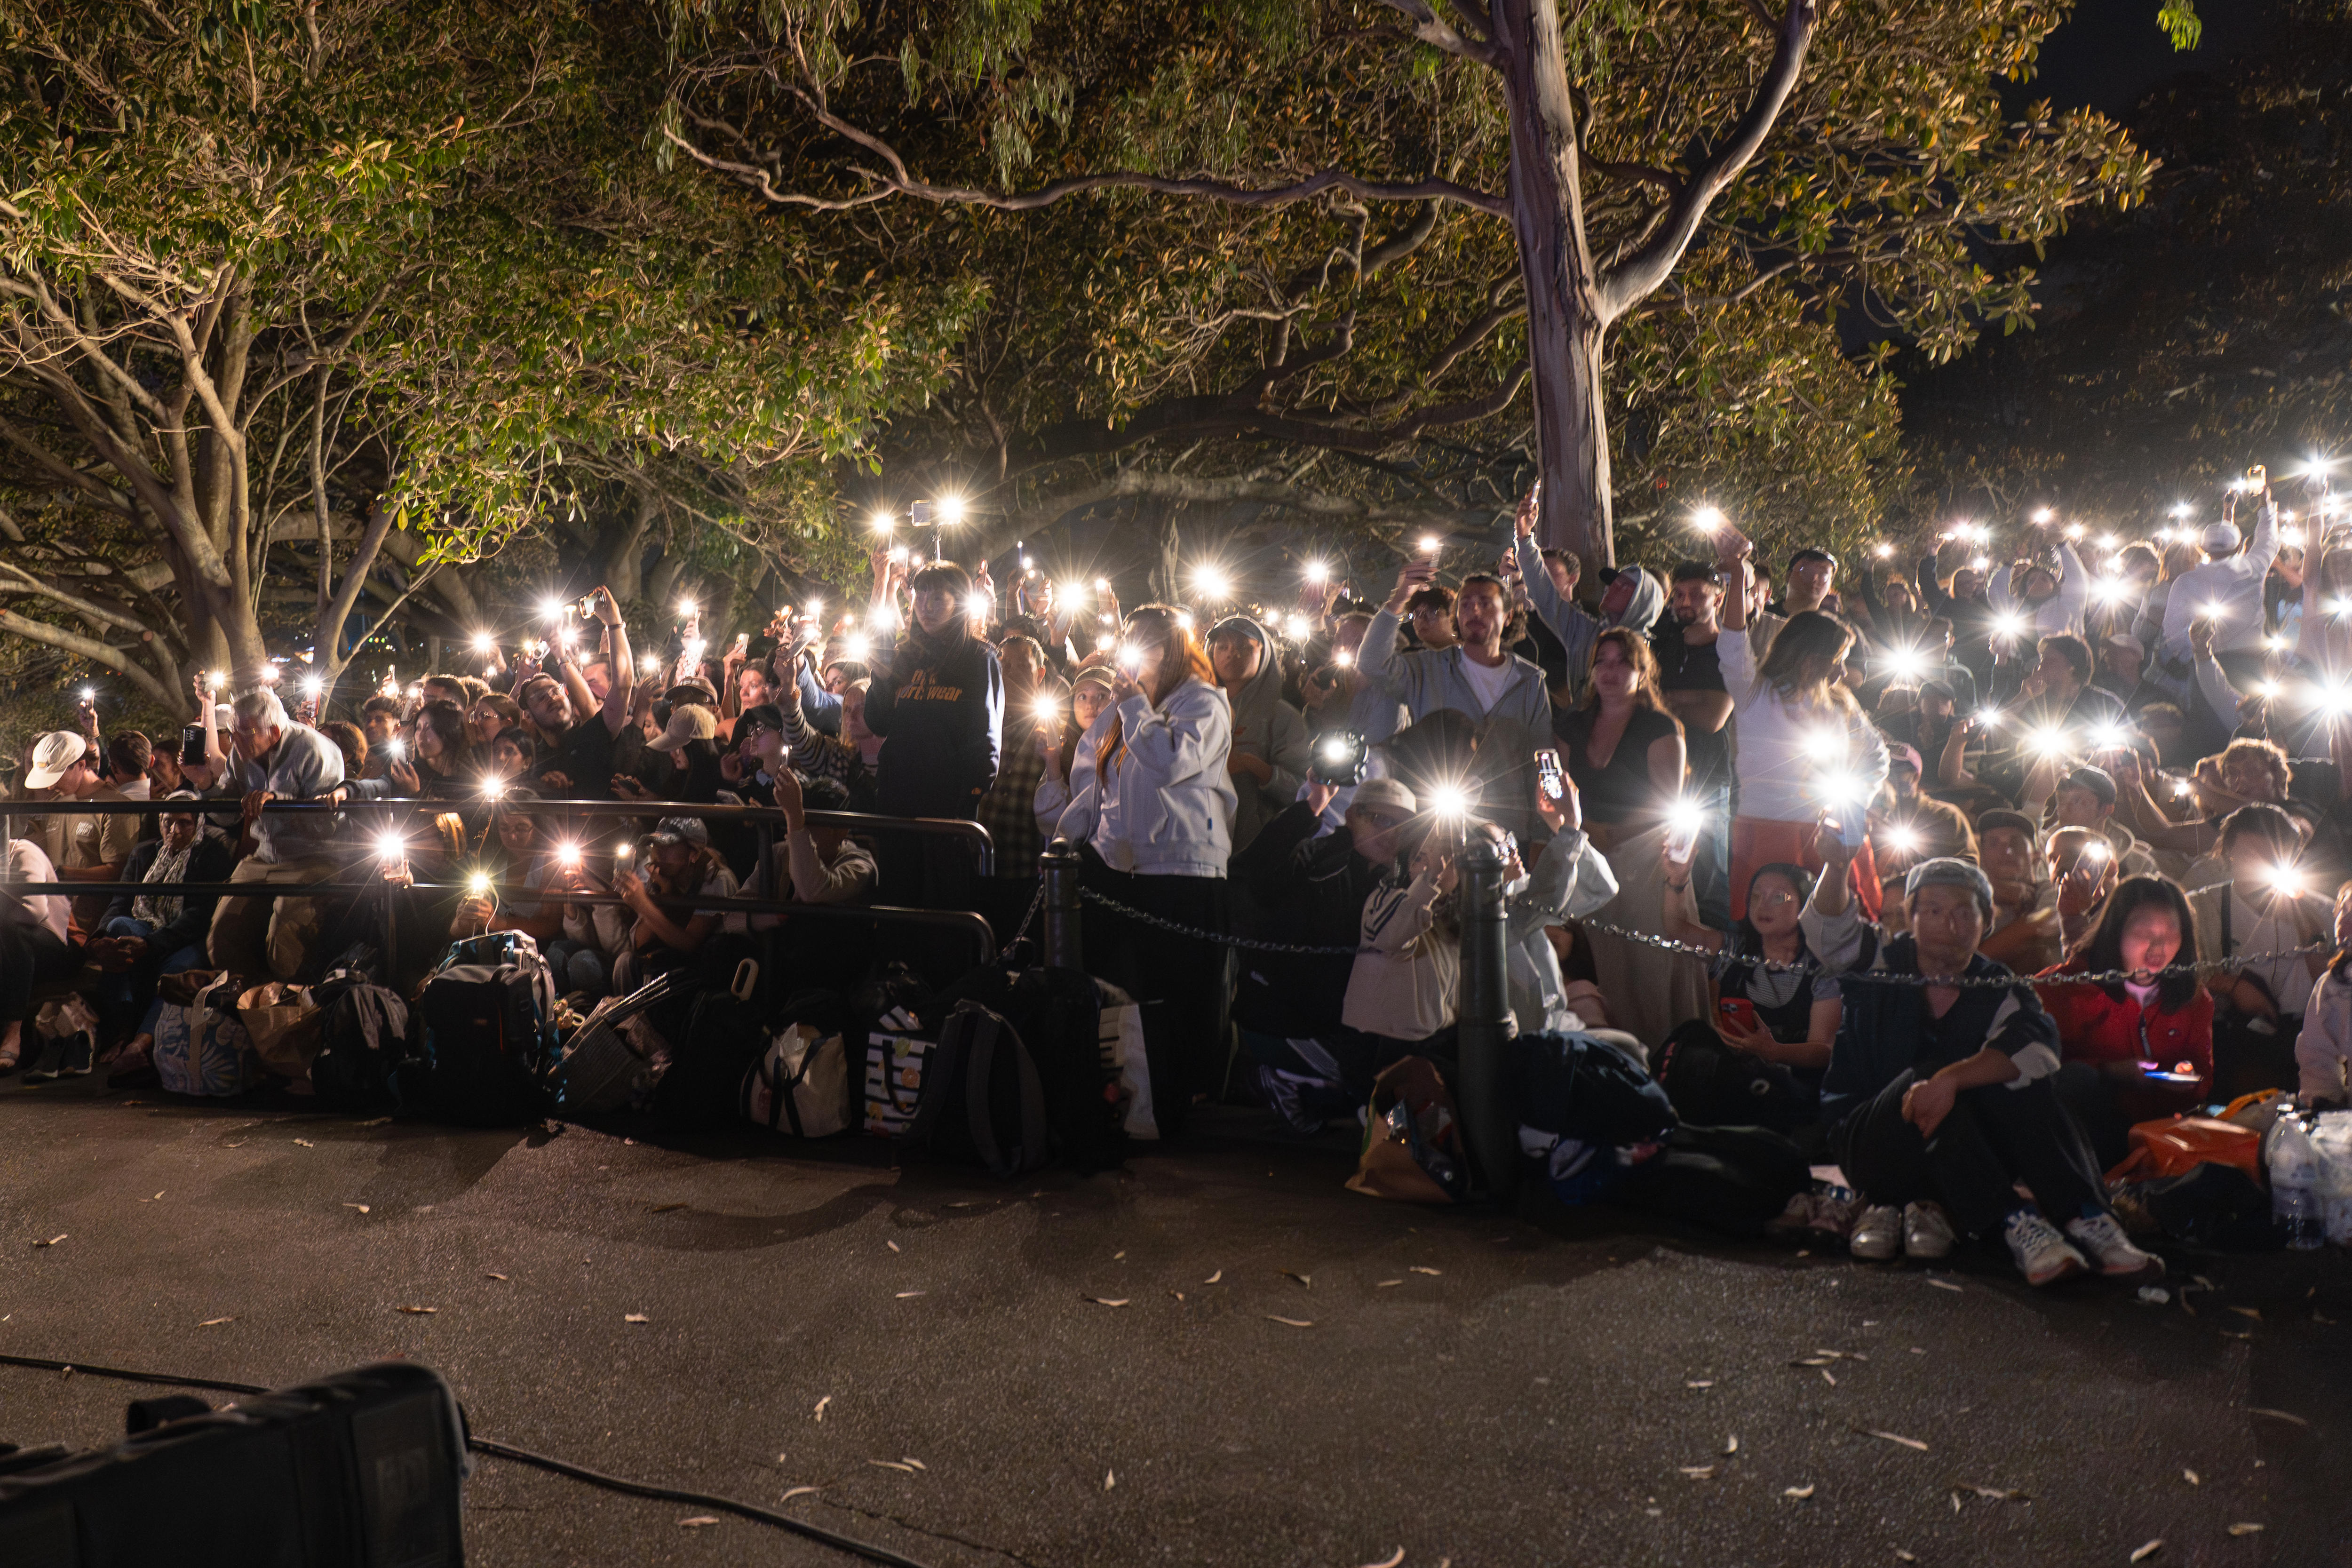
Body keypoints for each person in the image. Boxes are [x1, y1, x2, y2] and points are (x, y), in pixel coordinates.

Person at [1802, 836, 2161, 1285]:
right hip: (1873, 1141)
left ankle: (2086, 1218)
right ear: (1911, 918)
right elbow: (1829, 931)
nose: (1947, 924)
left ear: (1985, 922)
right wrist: (1837, 865)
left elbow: (2037, 1047)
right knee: (1933, 1074)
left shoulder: (1998, 985)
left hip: (1956, 1146)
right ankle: (2016, 1218)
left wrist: (1953, 1081)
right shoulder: (1879, 963)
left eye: (1962, 912)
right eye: (1932, 911)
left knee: (2018, 1081)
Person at [1049, 605, 1237, 1130]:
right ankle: (1118, 1091)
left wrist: (1134, 708)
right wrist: (1066, 844)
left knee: (1178, 992)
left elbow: (1172, 763)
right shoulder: (1118, 708)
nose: (1135, 647)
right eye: (1130, 636)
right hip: (1117, 865)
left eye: (1150, 639)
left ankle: (1180, 1100)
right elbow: (1094, 784)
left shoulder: (1202, 702)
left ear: (1176, 647)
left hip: (1181, 869)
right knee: (1113, 984)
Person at [1714, 525, 1890, 919]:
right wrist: (1739, 573)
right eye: (1838, 660)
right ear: (1810, 656)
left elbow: (1877, 756)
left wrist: (1854, 802)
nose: (1843, 673)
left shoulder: (1842, 705)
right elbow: (1732, 643)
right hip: (1763, 832)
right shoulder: (1755, 692)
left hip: (1827, 834)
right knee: (1764, 930)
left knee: (1832, 931)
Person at [1231, 776, 1416, 1129]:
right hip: (1288, 1021)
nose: (1394, 834)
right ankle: (1282, 1082)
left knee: (1397, 1069)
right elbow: (1252, 873)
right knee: (1373, 1081)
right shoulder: (1318, 859)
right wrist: (1312, 805)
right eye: (1382, 820)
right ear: (1352, 815)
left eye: (1405, 825)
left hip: (1337, 1021)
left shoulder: (1401, 882)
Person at [1552, 627, 1706, 1043]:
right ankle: (1614, 1051)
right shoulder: (1573, 726)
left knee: (1652, 964)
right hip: (1589, 857)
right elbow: (1559, 793)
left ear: (1641, 671)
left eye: (1622, 661)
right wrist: (1582, 833)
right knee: (1605, 963)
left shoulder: (1659, 727)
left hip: (1646, 857)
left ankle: (1666, 1052)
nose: (1610, 670)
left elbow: (1666, 801)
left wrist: (1614, 833)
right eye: (1602, 661)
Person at [1363, 555, 1552, 840]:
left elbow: (1543, 758)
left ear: (1509, 615)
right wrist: (1398, 600)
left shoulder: (1530, 681)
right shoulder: (1427, 668)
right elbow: (1371, 664)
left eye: (1486, 604)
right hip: (1434, 828)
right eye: (1465, 604)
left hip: (1510, 829)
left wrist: (1543, 833)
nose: (1474, 611)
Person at [2034, 877, 2212, 1168]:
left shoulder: (2192, 998)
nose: (2159, 945)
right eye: (2144, 932)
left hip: (2158, 1133)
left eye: (2171, 932)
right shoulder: (2063, 988)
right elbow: (2042, 1073)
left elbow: (2202, 1078)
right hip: (2084, 1139)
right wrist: (2109, 1070)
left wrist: (2185, 1078)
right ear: (2115, 931)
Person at [1659, 857, 1840, 1134]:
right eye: (1756, 896)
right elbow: (1677, 928)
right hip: (1735, 1079)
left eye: (1779, 897)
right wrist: (1677, 881)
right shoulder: (1733, 949)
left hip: (1797, 1091)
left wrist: (1775, 1052)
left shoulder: (1821, 967)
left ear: (1806, 904)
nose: (1763, 906)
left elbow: (1824, 1051)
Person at [863, 557, 1005, 908]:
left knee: (945, 909)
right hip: (897, 800)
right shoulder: (904, 655)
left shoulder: (979, 658)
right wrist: (880, 680)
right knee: (899, 901)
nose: (926, 606)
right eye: (920, 596)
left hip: (947, 809)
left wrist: (967, 802)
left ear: (959, 603)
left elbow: (985, 736)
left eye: (938, 598)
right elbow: (879, 722)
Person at [2186, 802, 2331, 1097]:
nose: (2262, 865)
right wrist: (2232, 985)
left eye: (2273, 856)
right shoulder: (2199, 908)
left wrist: (2310, 932)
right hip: (2230, 1039)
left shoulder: (2324, 911)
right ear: (2228, 853)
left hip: (2304, 1038)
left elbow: (2334, 986)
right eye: (2250, 855)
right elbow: (2179, 973)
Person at [88, 791, 238, 1070]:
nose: (175, 831)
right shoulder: (145, 853)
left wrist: (153, 944)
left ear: (199, 824)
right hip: (144, 927)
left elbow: (199, 916)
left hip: (183, 937)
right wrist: (100, 939)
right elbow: (121, 902)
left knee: (181, 967)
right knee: (117, 929)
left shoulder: (210, 856)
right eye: (168, 822)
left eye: (185, 823)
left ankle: (139, 1044)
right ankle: (122, 1031)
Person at [207, 687, 348, 983]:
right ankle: (245, 1000)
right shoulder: (241, 754)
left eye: (245, 733)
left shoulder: (315, 749)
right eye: (233, 732)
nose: (236, 741)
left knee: (284, 935)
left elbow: (325, 826)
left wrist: (278, 801)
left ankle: (291, 1006)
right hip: (264, 855)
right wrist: (204, 785)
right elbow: (227, 815)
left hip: (312, 858)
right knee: (221, 934)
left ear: (272, 731)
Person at [1512, 491, 1665, 704]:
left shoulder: (1645, 652)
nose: (1611, 588)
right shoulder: (1587, 631)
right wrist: (1524, 536)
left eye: (1623, 587)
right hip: (1584, 732)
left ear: (1640, 603)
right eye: (1613, 583)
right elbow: (1545, 596)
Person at [519, 586, 636, 801]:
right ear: (527, 716)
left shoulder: (593, 735)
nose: (551, 697)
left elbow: (622, 684)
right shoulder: (528, 756)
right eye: (539, 697)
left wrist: (614, 622)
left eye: (555, 691)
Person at [1208, 615, 1310, 856]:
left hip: (1256, 849)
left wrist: (1251, 765)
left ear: (1264, 654)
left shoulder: (1283, 716)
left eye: (1244, 647)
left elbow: (1303, 790)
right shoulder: (1197, 710)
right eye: (1223, 647)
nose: (1232, 653)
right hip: (1199, 843)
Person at [20, 730, 139, 931]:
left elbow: (118, 871)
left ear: (81, 765)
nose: (50, 787)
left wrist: (63, 874)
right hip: (55, 920)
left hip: (91, 924)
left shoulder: (116, 807)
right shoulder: (57, 803)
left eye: (57, 776)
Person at [2161, 491, 2281, 683]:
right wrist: (2265, 504)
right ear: (2239, 547)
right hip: (2251, 666)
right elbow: (2269, 539)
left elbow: (2173, 632)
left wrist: (2195, 656)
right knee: (2253, 713)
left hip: (2205, 667)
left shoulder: (2185, 582)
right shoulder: (2254, 568)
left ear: (2204, 548)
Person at [0, 836, 77, 1073]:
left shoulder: (22, 851)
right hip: (14, 947)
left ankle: (13, 1032)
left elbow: (33, 913)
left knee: (8, 932)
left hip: (50, 942)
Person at [1975, 808, 2062, 974]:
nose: (2007, 852)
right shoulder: (1973, 896)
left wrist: (1972, 962)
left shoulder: (2055, 890)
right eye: (1994, 844)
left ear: (2036, 855)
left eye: (2016, 843)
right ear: (1982, 855)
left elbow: (2042, 924)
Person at [2296, 880, 2352, 1106]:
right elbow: (2317, 1053)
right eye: (2344, 911)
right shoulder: (2334, 984)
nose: (2345, 920)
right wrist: (2323, 1102)